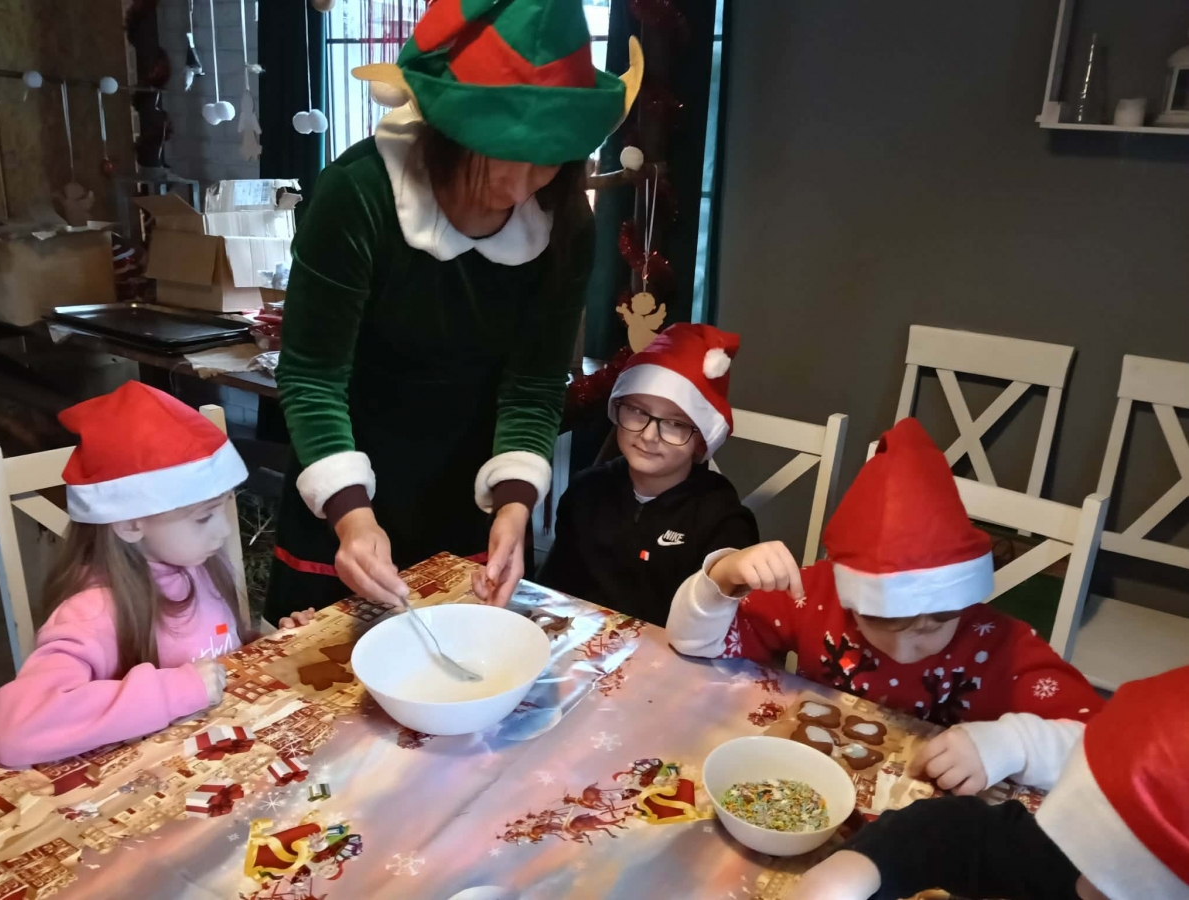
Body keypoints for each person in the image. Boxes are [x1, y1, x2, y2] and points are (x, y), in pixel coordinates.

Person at [264, 0, 644, 623]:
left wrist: (515, 505)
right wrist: (353, 518)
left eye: (547, 160)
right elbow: (312, 376)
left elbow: (533, 385)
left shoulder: (564, 223)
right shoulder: (359, 194)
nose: (520, 186)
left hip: (467, 488)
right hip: (343, 485)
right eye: (499, 154)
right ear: (448, 129)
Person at [667, 418, 1104, 760]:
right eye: (879, 622)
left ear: (961, 601)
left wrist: (1012, 746)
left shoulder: (1000, 646)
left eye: (934, 625)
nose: (905, 648)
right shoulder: (817, 594)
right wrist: (721, 577)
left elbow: (1100, 742)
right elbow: (694, 643)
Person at [0, 383, 313, 768]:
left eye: (225, 507)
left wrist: (271, 644)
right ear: (130, 525)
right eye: (204, 517)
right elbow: (14, 731)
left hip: (230, 757)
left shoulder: (201, 567)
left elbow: (214, 652)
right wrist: (174, 692)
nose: (225, 531)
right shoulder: (92, 614)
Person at [790, 665, 1189, 900]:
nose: (1082, 881)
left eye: (1116, 890)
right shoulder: (1077, 867)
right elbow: (958, 835)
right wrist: (856, 870)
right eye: (1087, 855)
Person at [537, 324, 758, 623]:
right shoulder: (585, 492)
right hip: (581, 642)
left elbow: (723, 616)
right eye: (638, 411)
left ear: (701, 440)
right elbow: (554, 590)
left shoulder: (720, 517)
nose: (649, 435)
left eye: (675, 424)